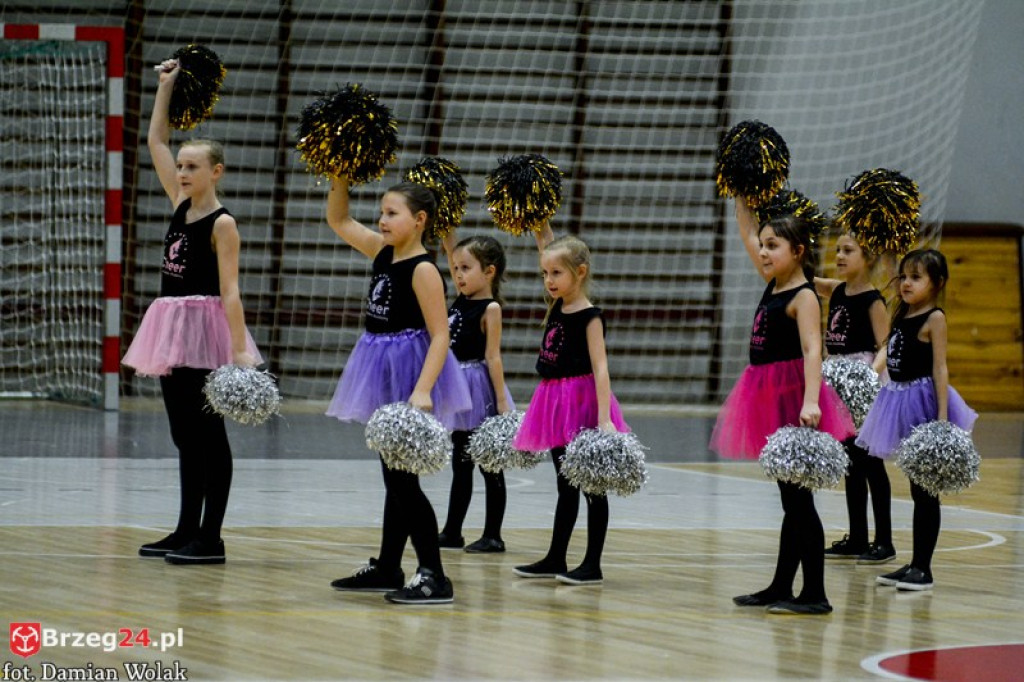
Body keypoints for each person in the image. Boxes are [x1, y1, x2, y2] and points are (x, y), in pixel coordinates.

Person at [123, 59, 262, 565]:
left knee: (209, 434)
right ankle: (185, 528)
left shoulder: (223, 224)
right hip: (171, 327)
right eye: (180, 166)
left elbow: (230, 291)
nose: (181, 172)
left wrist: (241, 349)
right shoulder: (178, 203)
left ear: (215, 172)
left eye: (192, 167)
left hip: (206, 329)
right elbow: (155, 143)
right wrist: (164, 88)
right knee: (184, 432)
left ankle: (212, 537)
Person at [323, 175, 472, 605]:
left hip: (411, 373)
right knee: (394, 475)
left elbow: (441, 334)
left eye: (392, 213)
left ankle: (435, 576)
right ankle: (389, 565)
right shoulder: (382, 252)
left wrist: (423, 390)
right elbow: (338, 219)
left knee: (403, 481)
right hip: (379, 364)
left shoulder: (423, 268)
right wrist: (338, 175)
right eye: (382, 212)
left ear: (419, 220)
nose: (382, 220)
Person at [711, 197, 856, 615]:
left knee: (799, 499)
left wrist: (811, 401)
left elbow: (814, 350)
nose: (764, 252)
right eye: (763, 245)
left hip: (794, 397)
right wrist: (741, 199)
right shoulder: (773, 282)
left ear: (798, 251)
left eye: (773, 245)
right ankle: (781, 585)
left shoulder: (804, 295)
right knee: (789, 498)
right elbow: (746, 234)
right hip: (766, 392)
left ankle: (815, 594)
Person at [511, 221, 630, 586]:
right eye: (545, 273)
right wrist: (539, 227)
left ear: (580, 273)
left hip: (582, 401)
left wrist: (603, 418)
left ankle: (592, 564)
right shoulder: (557, 303)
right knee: (566, 484)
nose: (549, 279)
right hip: (553, 399)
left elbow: (601, 366)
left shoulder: (589, 315)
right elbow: (549, 247)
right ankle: (556, 556)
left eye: (556, 273)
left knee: (592, 484)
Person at [857, 248, 978, 591]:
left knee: (926, 490)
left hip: (922, 403)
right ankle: (914, 563)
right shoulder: (902, 313)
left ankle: (923, 568)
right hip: (896, 398)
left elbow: (940, 367)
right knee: (915, 486)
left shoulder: (934, 318)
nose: (906, 283)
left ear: (937, 283)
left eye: (916, 277)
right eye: (904, 276)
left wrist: (941, 419)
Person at [816, 233, 896, 564]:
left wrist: (867, 380)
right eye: (838, 250)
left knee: (870, 463)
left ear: (868, 257)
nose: (840, 255)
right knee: (850, 462)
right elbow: (808, 281)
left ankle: (885, 541)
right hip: (837, 378)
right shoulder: (836, 290)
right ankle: (858, 537)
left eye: (848, 251)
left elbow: (887, 344)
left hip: (862, 380)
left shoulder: (873, 300)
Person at [437, 233, 515, 553]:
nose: (458, 274)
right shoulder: (461, 296)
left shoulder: (490, 307)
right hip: (457, 384)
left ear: (489, 272)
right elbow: (449, 248)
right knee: (460, 461)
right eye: (455, 269)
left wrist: (500, 403)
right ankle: (452, 531)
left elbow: (493, 356)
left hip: (478, 389)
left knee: (489, 464)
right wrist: (447, 231)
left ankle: (493, 535)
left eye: (466, 268)